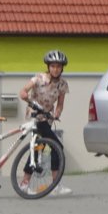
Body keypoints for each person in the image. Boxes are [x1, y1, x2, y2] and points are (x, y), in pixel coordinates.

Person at [18, 49, 72, 195]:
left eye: (58, 66)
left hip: (47, 118)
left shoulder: (62, 84)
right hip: (35, 116)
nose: (56, 69)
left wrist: (57, 113)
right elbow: (24, 90)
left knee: (37, 148)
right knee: (56, 146)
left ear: (62, 68)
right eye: (53, 66)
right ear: (48, 66)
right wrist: (24, 94)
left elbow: (60, 104)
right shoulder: (38, 78)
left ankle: (25, 184)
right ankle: (55, 185)